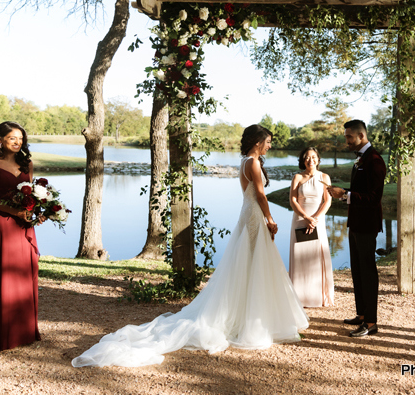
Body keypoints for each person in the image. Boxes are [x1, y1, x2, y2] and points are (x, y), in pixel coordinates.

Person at [72, 124, 308, 367]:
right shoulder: (253, 163)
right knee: (255, 262)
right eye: (267, 141)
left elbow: (251, 194)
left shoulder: (246, 161)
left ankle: (248, 313)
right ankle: (251, 318)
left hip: (247, 214)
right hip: (255, 215)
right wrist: (270, 218)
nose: (269, 145)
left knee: (248, 263)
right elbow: (260, 194)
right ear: (257, 141)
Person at [0, 121, 41, 352]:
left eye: (21, 139)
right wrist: (15, 211)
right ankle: (2, 334)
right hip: (3, 224)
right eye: (13, 138)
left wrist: (38, 214)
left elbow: (32, 195)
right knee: (3, 275)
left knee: (25, 274)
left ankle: (24, 330)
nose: (17, 142)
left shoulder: (27, 163)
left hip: (25, 225)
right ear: (0, 139)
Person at [328, 120, 386, 337]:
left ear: (361, 136)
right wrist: (344, 193)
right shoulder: (362, 159)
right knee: (357, 270)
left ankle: (371, 323)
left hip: (367, 224)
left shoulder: (375, 160)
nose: (346, 141)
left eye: (349, 137)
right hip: (356, 223)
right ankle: (361, 315)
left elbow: (373, 197)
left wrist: (345, 194)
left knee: (368, 272)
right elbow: (360, 190)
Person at [288, 147, 334, 307]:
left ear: (318, 159)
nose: (310, 160)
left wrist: (314, 218)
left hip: (318, 221)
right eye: (307, 157)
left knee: (316, 254)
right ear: (302, 160)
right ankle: (299, 297)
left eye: (313, 157)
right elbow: (293, 200)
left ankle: (317, 296)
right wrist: (306, 217)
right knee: (300, 255)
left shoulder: (324, 177)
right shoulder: (297, 177)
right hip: (300, 220)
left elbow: (327, 201)